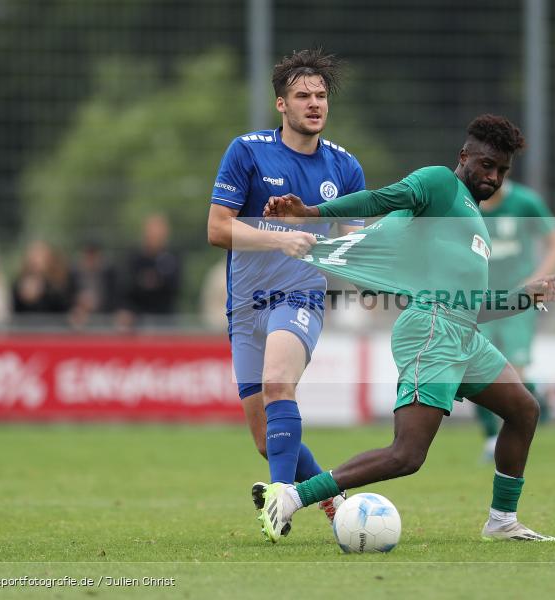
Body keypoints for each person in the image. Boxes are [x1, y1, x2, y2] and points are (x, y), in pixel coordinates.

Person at [257, 114, 555, 543]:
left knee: (524, 410)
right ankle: (293, 496)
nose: (494, 177)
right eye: (487, 165)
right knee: (406, 455)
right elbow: (381, 198)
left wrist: (522, 297)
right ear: (464, 156)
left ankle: (502, 521)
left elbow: (471, 308)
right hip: (432, 332)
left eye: (502, 170)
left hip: (463, 334)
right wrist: (311, 213)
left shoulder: (472, 219)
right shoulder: (440, 184)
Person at [205, 48, 365, 523]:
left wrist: (316, 232)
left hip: (300, 296)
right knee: (265, 438)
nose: (314, 104)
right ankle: (332, 498)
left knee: (278, 383)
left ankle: (280, 501)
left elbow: (352, 246)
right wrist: (280, 236)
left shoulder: (345, 167)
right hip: (244, 306)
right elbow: (217, 229)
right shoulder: (247, 151)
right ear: (281, 104)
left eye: (321, 96)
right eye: (302, 96)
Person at [476, 180, 555, 458]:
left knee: (513, 371)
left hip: (518, 302)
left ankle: (511, 434)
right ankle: (491, 438)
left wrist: (536, 281)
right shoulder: (467, 204)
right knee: (475, 367)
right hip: (479, 301)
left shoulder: (525, 202)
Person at [116, 213, 181, 327]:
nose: (156, 235)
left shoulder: (172, 258)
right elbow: (125, 288)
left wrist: (157, 282)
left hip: (165, 320)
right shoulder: (134, 258)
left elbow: (175, 287)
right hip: (137, 320)